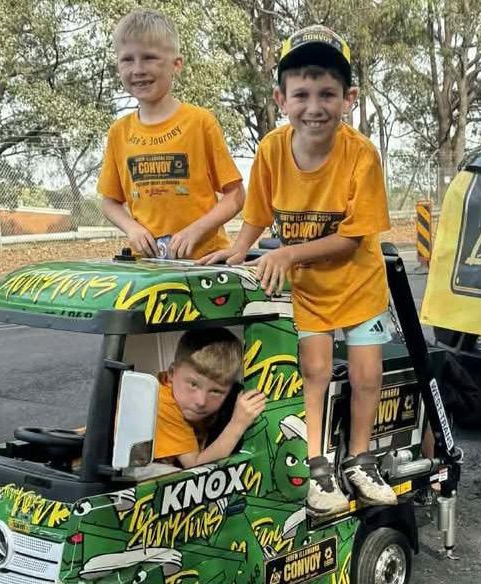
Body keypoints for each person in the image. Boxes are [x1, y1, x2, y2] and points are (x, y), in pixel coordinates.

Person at [201, 25, 397, 516]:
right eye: (302, 94)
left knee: (366, 374)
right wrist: (238, 249)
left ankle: (360, 459)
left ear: (348, 98)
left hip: (359, 283)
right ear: (281, 99)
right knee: (312, 370)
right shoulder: (271, 150)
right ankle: (316, 465)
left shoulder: (361, 155)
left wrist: (287, 254)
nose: (314, 106)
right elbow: (257, 212)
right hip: (308, 290)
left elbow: (352, 238)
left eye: (327, 94)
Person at [98, 8, 244, 261]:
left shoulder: (200, 123)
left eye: (149, 58)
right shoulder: (118, 132)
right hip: (149, 268)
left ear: (176, 64)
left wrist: (196, 230)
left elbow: (236, 195)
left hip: (203, 263)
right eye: (127, 59)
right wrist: (132, 228)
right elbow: (109, 202)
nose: (138, 69)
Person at [154, 328, 265, 468]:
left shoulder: (231, 396)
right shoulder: (161, 400)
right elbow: (195, 467)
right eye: (193, 384)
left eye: (215, 391)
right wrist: (238, 423)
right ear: (171, 373)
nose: (201, 401)